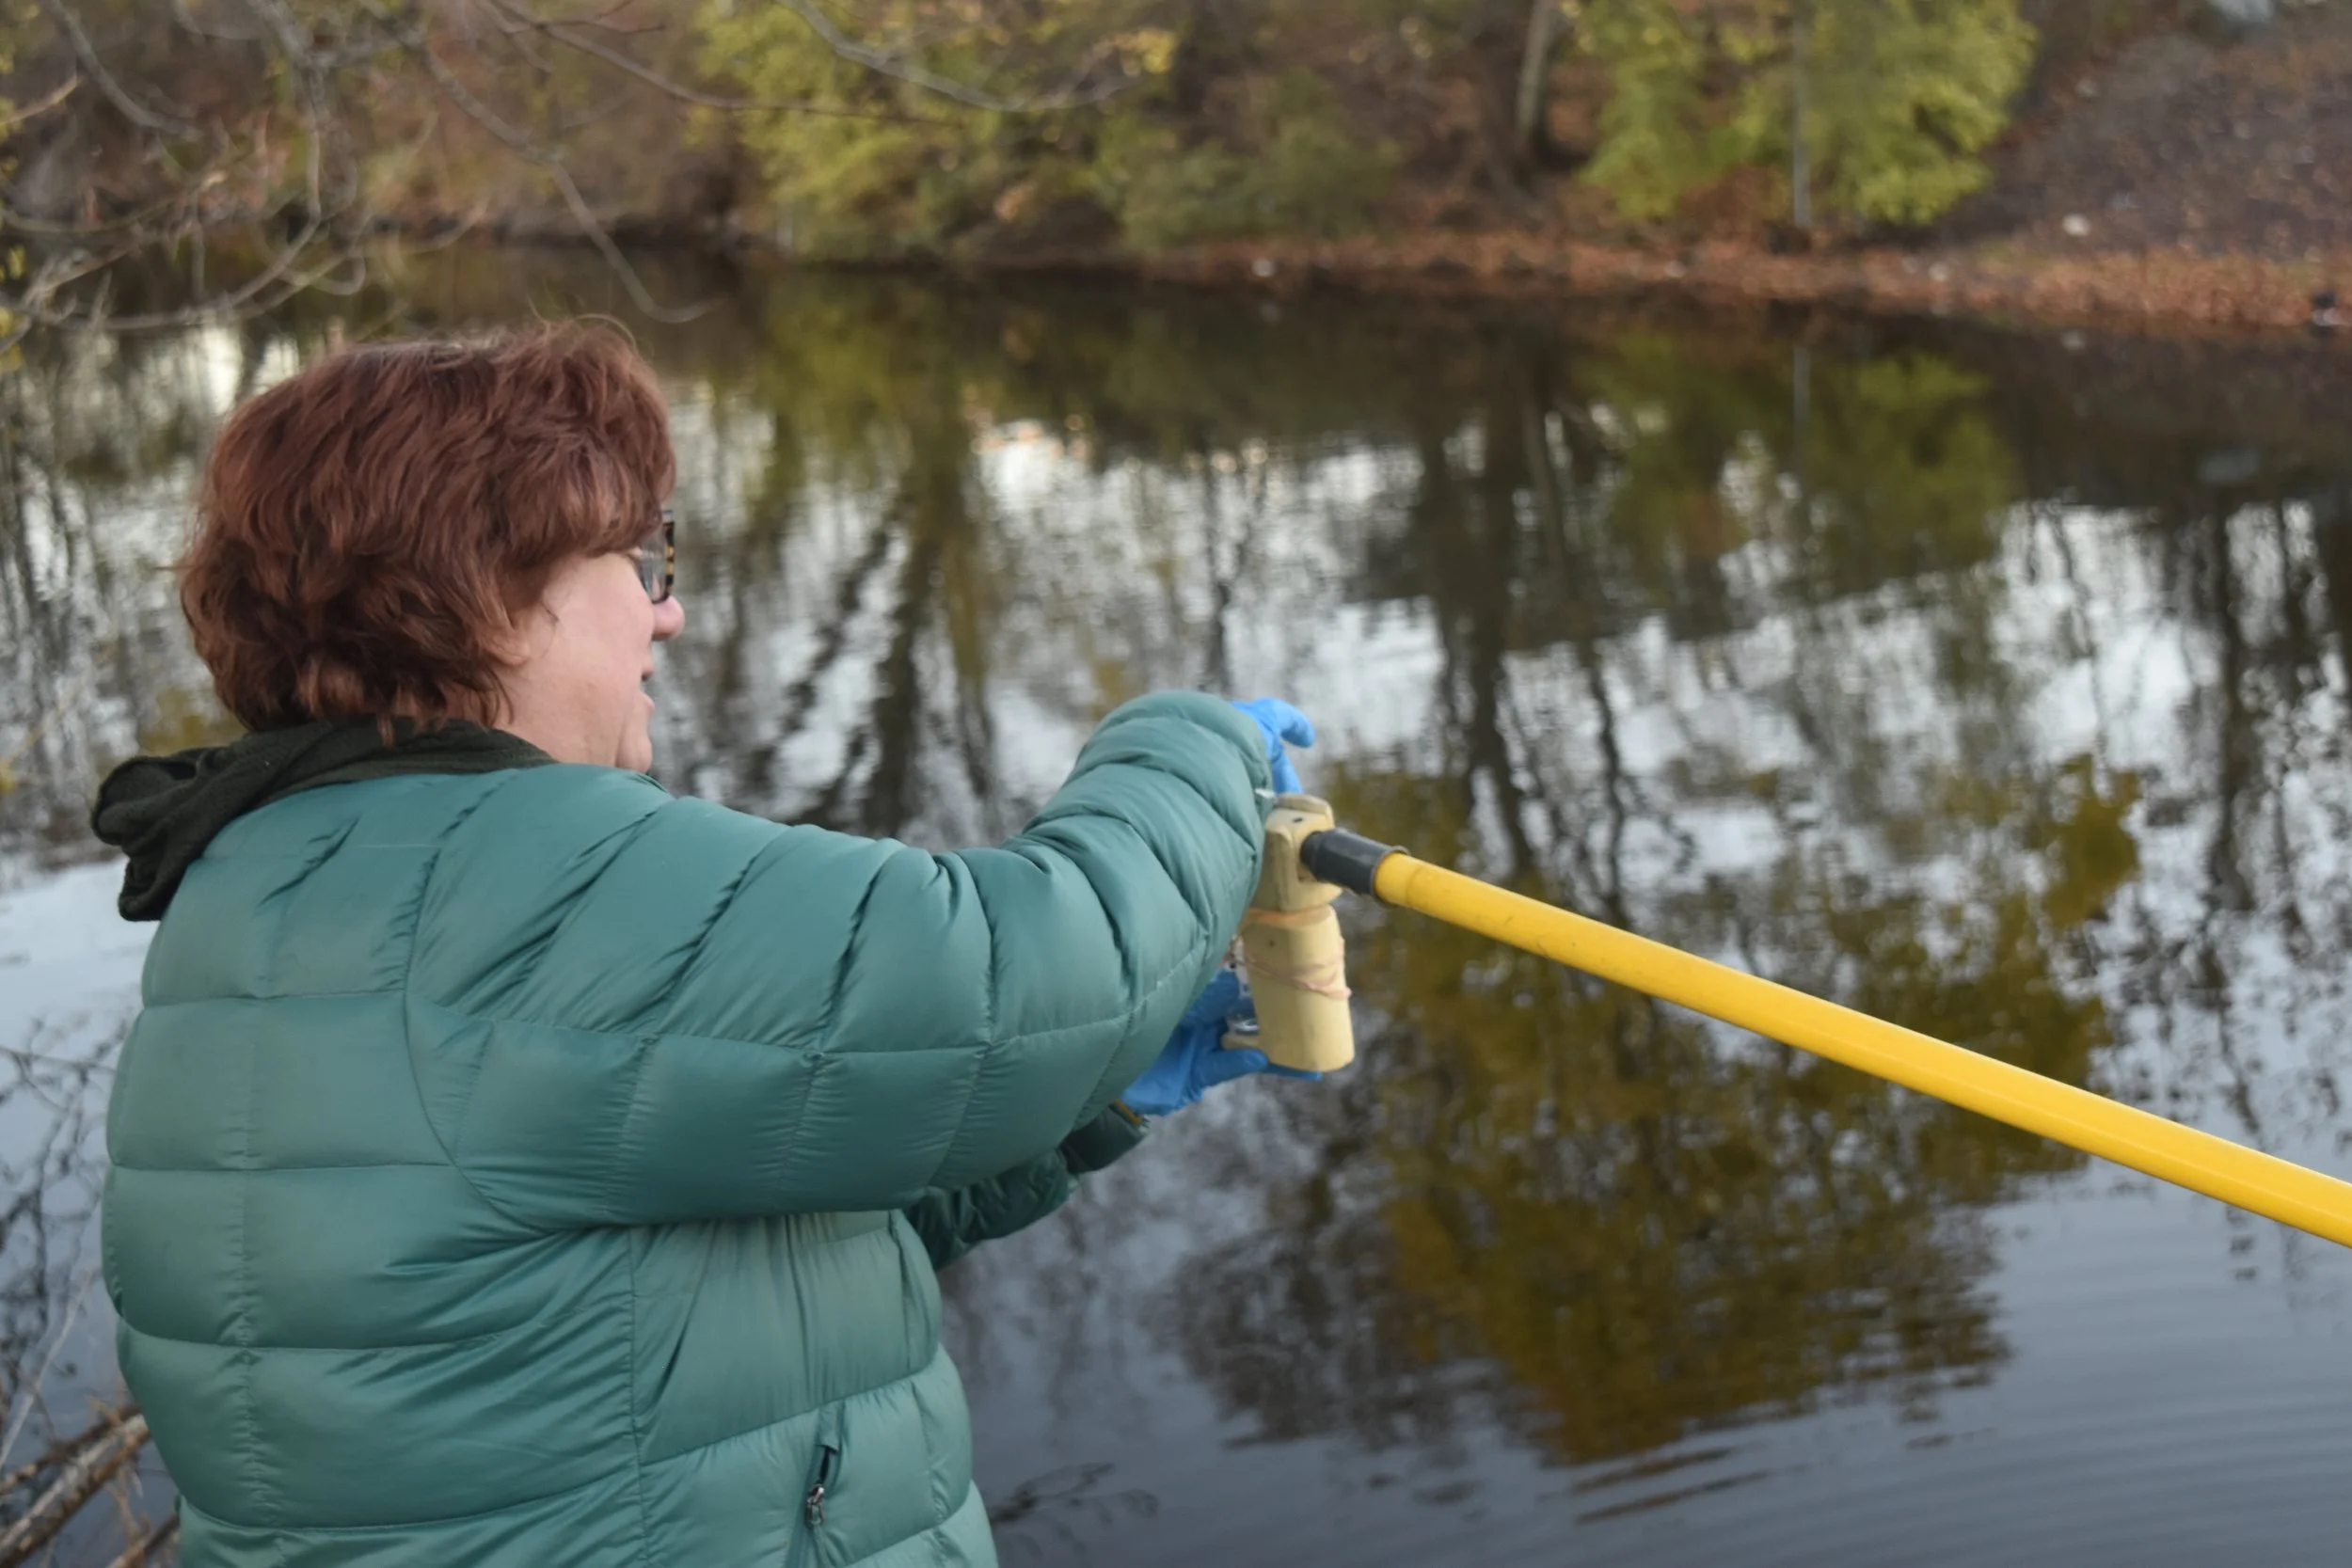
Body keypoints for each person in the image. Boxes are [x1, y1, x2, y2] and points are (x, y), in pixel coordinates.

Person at [90, 325, 1318, 1567]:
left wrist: (1082, 1104)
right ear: (484, 595)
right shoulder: (523, 879)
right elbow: (1026, 975)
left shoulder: (274, 886)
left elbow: (610, 1295)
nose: (667, 612)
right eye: (635, 558)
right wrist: (1193, 748)